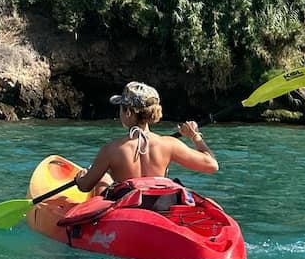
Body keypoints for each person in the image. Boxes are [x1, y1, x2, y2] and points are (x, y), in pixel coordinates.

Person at [72, 81, 218, 195]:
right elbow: (212, 165)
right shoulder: (169, 144)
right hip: (158, 206)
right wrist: (195, 136)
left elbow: (85, 186)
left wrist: (80, 177)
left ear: (128, 112)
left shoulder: (111, 150)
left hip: (127, 210)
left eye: (121, 107)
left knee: (104, 179)